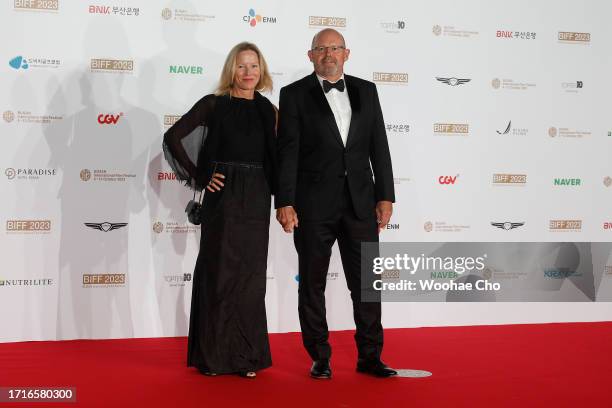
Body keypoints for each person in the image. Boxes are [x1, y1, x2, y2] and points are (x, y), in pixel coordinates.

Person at [276, 29, 397, 379]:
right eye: (321, 49)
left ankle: (370, 357)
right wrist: (284, 201)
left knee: (367, 284)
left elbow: (379, 145)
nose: (329, 54)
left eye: (335, 48)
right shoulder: (294, 94)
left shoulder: (367, 90)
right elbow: (287, 153)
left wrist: (385, 195)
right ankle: (320, 356)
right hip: (312, 205)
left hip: (361, 203)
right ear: (310, 55)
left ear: (347, 54)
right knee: (312, 283)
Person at [163, 42, 278, 379]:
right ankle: (213, 357)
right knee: (219, 273)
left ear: (261, 70)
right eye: (242, 66)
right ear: (232, 70)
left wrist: (286, 200)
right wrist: (201, 176)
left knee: (251, 277)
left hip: (258, 197)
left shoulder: (268, 110)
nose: (248, 73)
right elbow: (173, 137)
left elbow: (278, 159)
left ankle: (245, 357)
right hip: (223, 197)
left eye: (254, 66)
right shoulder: (214, 105)